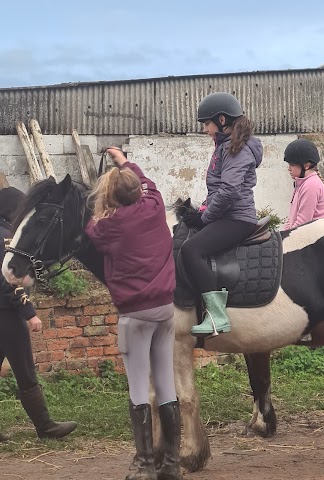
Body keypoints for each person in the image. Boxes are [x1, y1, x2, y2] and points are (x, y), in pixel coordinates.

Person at [85, 148, 181, 480]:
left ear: (111, 197)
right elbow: (149, 183)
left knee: (139, 388)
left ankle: (144, 466)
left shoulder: (107, 227)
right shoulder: (154, 208)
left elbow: (89, 232)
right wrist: (124, 162)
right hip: (165, 311)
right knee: (167, 388)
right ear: (138, 192)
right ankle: (171, 464)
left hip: (134, 316)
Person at [181, 92, 263, 338]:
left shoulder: (235, 149)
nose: (205, 130)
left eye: (207, 124)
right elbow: (218, 189)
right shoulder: (225, 147)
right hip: (228, 214)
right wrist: (202, 209)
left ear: (222, 120)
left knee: (191, 250)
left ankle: (217, 317)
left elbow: (229, 191)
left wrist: (205, 218)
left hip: (237, 218)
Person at [0, 187, 77, 442]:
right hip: (7, 314)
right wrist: (29, 313)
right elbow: (10, 283)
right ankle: (45, 427)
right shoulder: (7, 239)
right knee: (25, 373)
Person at [282, 138, 324, 230]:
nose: (289, 169)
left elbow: (303, 223)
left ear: (306, 165)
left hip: (312, 239)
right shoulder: (301, 183)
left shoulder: (311, 185)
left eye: (292, 165)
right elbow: (292, 219)